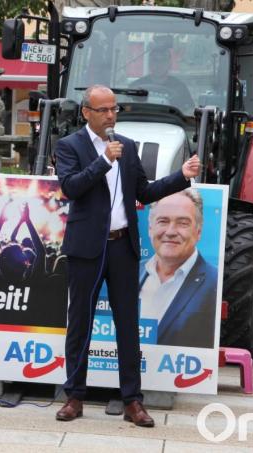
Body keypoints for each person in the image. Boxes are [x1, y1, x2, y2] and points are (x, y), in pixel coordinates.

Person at [54, 85, 200, 426]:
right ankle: (74, 396)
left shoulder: (128, 148)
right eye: (103, 110)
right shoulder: (69, 146)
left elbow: (145, 192)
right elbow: (71, 187)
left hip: (122, 246)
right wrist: (104, 161)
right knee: (80, 323)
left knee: (127, 326)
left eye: (114, 110)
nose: (110, 116)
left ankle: (132, 400)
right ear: (86, 113)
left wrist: (182, 177)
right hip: (87, 247)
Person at [139, 188, 218, 349]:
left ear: (198, 232)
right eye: (163, 221)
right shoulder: (128, 273)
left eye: (182, 223)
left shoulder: (215, 283)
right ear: (150, 229)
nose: (170, 232)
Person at [131, 47, 195, 113]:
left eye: (163, 60)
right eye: (155, 60)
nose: (159, 64)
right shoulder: (136, 86)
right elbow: (127, 109)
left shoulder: (180, 88)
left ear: (169, 64)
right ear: (149, 63)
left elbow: (189, 111)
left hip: (171, 122)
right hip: (141, 121)